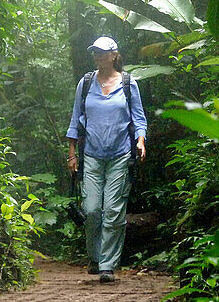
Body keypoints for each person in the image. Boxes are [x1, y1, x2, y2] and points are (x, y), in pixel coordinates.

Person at [66, 36, 148, 284]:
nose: (99, 57)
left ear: (114, 55)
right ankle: (95, 257)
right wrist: (71, 153)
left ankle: (107, 265)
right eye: (95, 53)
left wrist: (141, 140)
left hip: (120, 155)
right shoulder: (86, 82)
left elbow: (139, 118)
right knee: (91, 210)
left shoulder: (128, 83)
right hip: (91, 155)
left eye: (103, 53)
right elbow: (75, 119)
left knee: (113, 211)